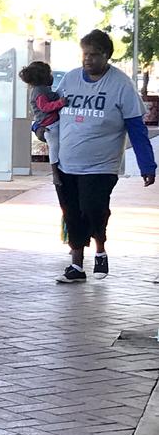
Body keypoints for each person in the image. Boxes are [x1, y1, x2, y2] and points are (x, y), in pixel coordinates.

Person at [54, 29, 156, 283]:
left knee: (92, 208)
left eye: (94, 55)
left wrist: (147, 164)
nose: (88, 59)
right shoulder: (70, 79)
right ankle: (76, 266)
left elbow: (136, 127)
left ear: (107, 56)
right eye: (85, 54)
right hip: (67, 162)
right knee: (72, 212)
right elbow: (53, 111)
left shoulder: (121, 84)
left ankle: (100, 248)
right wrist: (40, 125)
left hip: (102, 165)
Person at [19, 61, 67, 186]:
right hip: (49, 126)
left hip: (52, 123)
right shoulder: (39, 91)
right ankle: (56, 174)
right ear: (43, 76)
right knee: (54, 148)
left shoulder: (44, 89)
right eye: (49, 73)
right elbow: (44, 107)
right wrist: (60, 103)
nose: (52, 76)